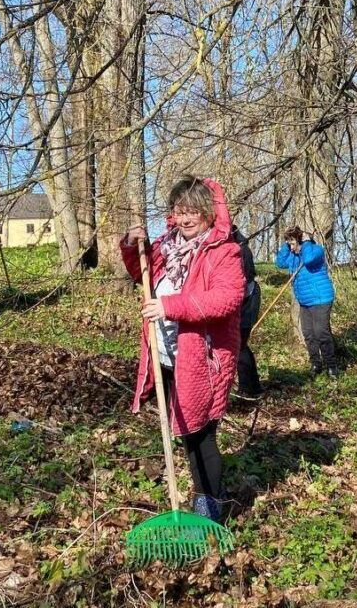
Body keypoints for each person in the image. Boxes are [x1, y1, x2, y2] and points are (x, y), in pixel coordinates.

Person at [120, 176, 244, 521]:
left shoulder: (223, 251)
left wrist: (170, 306)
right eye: (179, 211)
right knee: (187, 429)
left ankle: (210, 509)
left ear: (208, 211)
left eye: (193, 211)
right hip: (167, 356)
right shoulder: (167, 246)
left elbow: (226, 298)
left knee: (199, 434)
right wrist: (132, 245)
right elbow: (143, 273)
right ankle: (203, 498)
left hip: (203, 359)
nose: (185, 218)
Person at [276, 226, 338, 378]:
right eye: (289, 244)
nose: (291, 247)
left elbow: (309, 260)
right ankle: (316, 364)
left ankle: (331, 366)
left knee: (321, 332)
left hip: (320, 298)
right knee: (309, 334)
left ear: (300, 241)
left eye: (292, 243)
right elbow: (280, 262)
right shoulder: (293, 256)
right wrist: (287, 244)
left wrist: (306, 242)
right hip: (305, 301)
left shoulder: (316, 250)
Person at [232, 225, 262, 398]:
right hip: (240, 303)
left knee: (239, 345)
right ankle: (254, 386)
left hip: (247, 303)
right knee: (240, 345)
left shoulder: (242, 250)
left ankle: (247, 388)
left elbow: (246, 278)